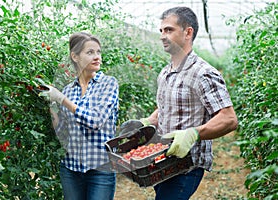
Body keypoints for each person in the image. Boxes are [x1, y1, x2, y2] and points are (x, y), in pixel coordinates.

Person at [121, 6, 238, 200]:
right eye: (161, 31)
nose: (162, 36)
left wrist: (193, 134)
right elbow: (167, 107)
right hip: (162, 162)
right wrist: (148, 122)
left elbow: (229, 119)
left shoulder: (203, 73)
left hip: (186, 165)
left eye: (169, 30)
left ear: (188, 32)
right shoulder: (166, 72)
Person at [40, 32, 119, 200]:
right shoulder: (69, 90)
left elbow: (95, 121)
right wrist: (51, 108)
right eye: (90, 52)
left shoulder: (108, 84)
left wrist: (62, 99)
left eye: (98, 52)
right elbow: (63, 131)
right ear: (75, 56)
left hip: (101, 169)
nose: (97, 57)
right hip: (71, 168)